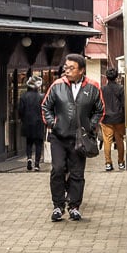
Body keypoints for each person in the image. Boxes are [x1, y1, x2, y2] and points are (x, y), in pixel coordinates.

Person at [41, 53, 104, 222]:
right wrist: (51, 123)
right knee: (58, 169)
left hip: (80, 138)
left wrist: (91, 125)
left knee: (77, 173)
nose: (67, 71)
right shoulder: (57, 86)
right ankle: (58, 206)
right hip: (59, 137)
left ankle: (74, 207)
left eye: (71, 68)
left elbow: (100, 110)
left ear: (82, 70)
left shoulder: (93, 87)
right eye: (66, 67)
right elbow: (46, 106)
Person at [16, 75, 46, 171]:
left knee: (29, 142)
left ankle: (29, 158)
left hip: (27, 123)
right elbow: (45, 110)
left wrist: (22, 119)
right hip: (39, 123)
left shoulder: (23, 96)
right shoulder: (41, 96)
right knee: (38, 144)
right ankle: (37, 164)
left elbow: (20, 110)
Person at [100, 67, 125, 171]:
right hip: (119, 118)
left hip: (106, 118)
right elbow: (124, 104)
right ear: (116, 77)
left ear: (106, 77)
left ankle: (108, 163)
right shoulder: (121, 88)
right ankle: (121, 163)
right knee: (119, 140)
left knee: (107, 141)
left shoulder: (102, 89)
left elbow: (99, 103)